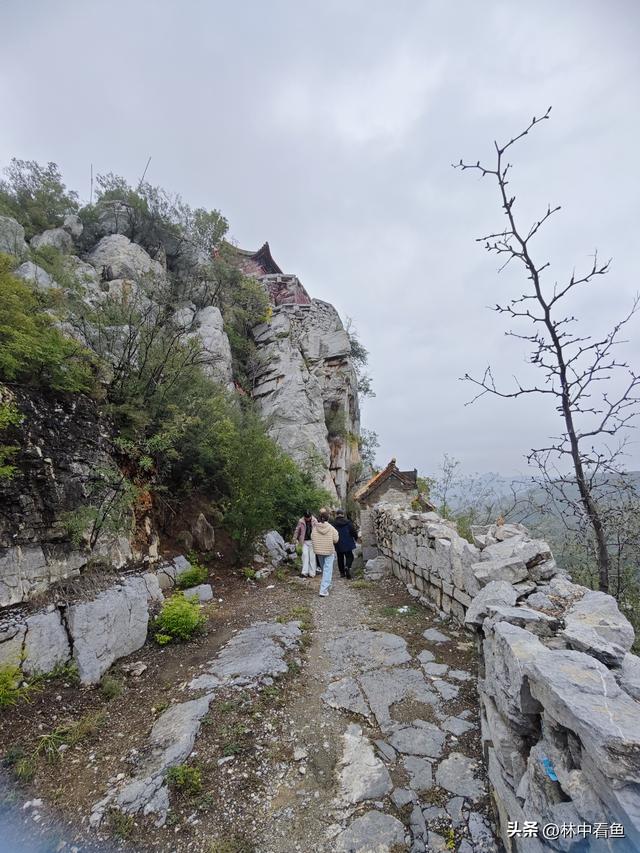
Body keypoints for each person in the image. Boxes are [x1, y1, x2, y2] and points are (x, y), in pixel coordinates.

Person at [311, 508, 339, 597]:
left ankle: (327, 585)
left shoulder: (315, 528)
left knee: (324, 569)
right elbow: (336, 539)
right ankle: (323, 590)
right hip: (329, 551)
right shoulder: (331, 528)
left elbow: (312, 537)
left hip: (319, 551)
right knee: (328, 570)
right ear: (328, 518)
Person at [332, 509, 358, 579]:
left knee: (340, 558)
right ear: (343, 514)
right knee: (350, 556)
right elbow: (353, 531)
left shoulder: (333, 523)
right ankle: (347, 567)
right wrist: (356, 538)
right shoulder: (348, 522)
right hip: (348, 542)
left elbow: (331, 533)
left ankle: (342, 573)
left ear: (336, 515)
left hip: (338, 543)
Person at [293, 509, 317, 577]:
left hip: (313, 541)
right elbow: (297, 530)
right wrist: (294, 538)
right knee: (305, 555)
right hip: (304, 541)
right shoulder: (301, 521)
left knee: (312, 557)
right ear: (304, 516)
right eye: (306, 517)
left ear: (310, 516)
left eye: (308, 517)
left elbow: (318, 530)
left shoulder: (315, 520)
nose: (307, 518)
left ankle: (312, 573)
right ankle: (304, 572)